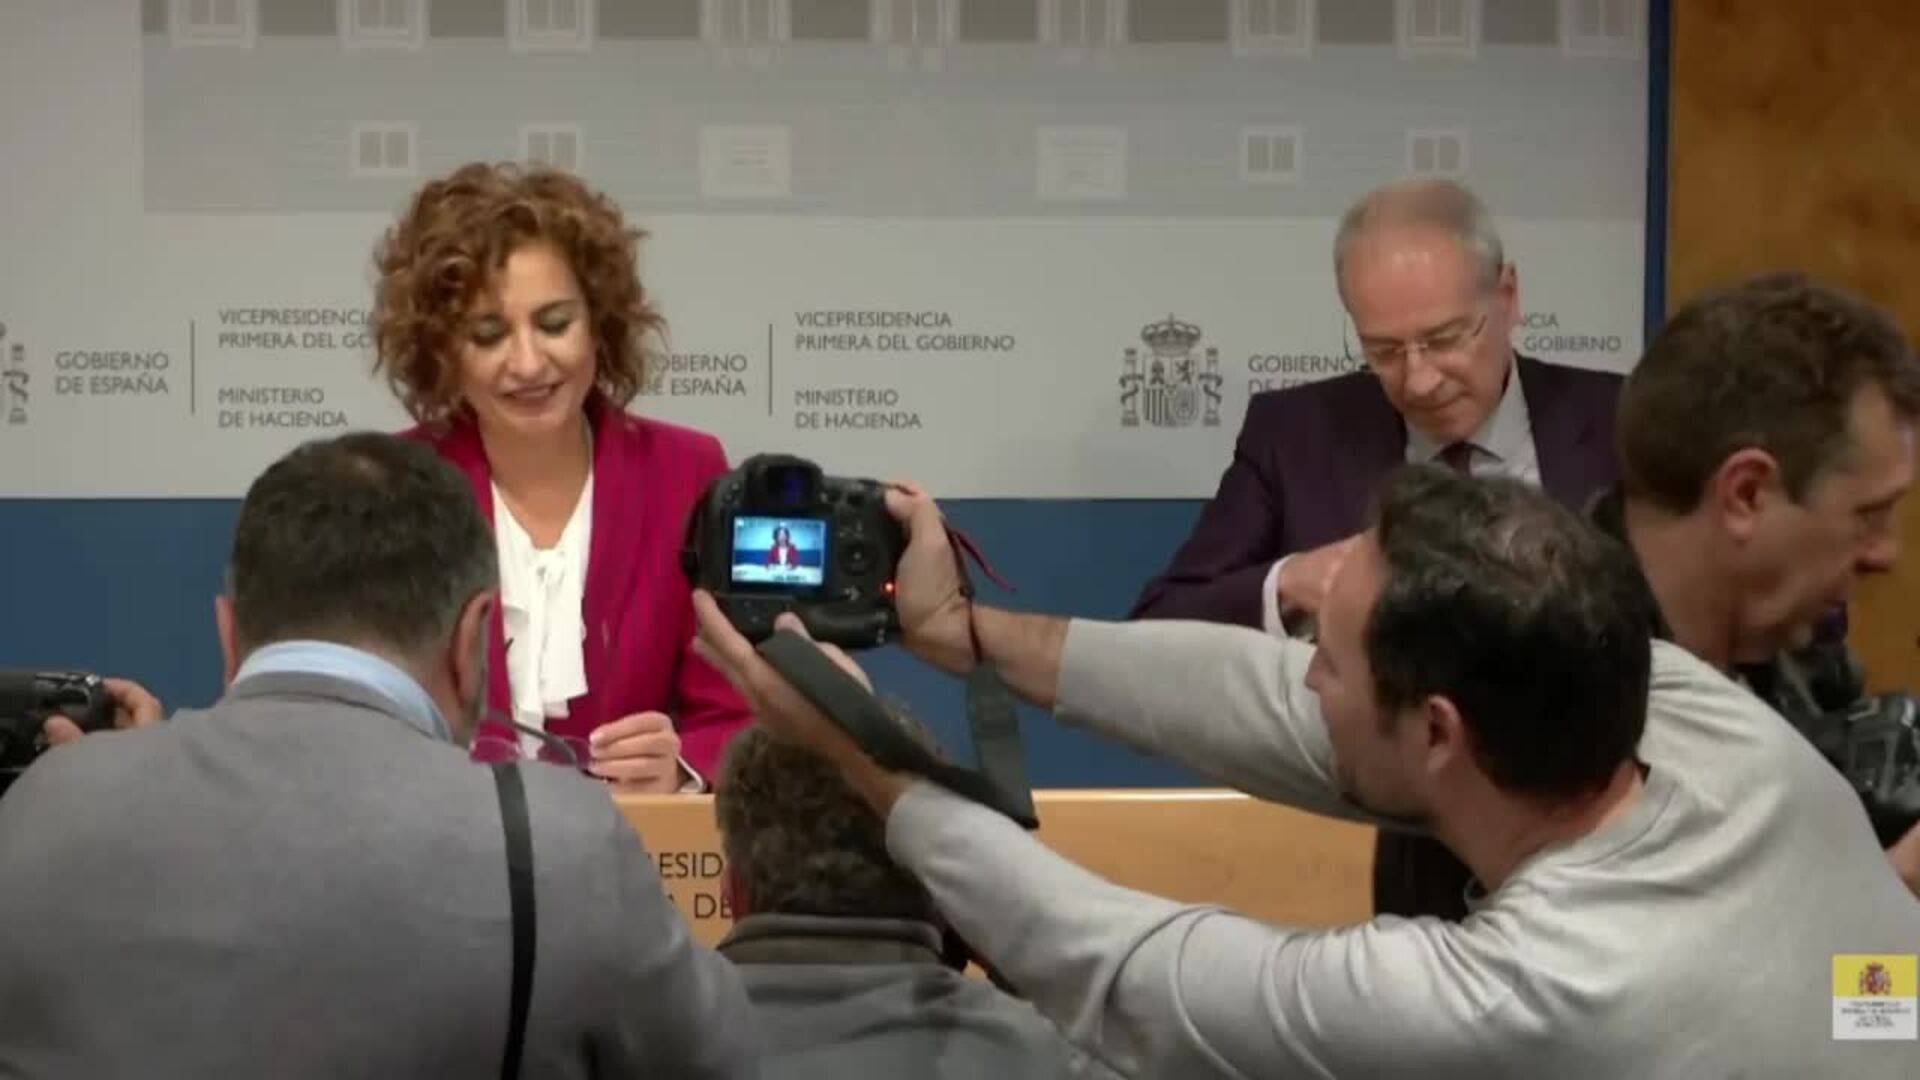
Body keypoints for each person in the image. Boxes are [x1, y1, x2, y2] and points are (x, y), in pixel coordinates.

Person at [691, 466, 1920, 1078]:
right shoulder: (1684, 708)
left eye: (1325, 660)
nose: (1302, 679)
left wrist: (863, 758)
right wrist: (969, 637)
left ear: (1438, 735)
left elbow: (1134, 972)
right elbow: (1265, 703)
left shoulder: (1534, 995)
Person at [0, 433, 758, 1078]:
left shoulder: (45, 809)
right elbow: (728, 1061)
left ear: (227, 634)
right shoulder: (559, 845)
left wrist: (109, 786)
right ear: (472, 639)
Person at [373, 161, 750, 793]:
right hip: (442, 842)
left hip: (629, 846)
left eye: (554, 324)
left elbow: (740, 707)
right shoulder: (394, 487)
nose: (528, 363)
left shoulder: (687, 471)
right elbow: (350, 720)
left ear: (600, 322)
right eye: (488, 335)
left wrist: (681, 768)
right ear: (442, 351)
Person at [1130, 177, 1623, 635]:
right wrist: (1290, 582)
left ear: (1507, 297)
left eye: (1445, 339)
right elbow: (1161, 619)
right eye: (1384, 351)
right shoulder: (1293, 435)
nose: (1420, 381)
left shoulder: (1619, 422)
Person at [711, 718, 1081, 1079]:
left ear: (733, 893)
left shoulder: (675, 1044)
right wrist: (1021, 965)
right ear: (945, 899)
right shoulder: (1047, 1057)